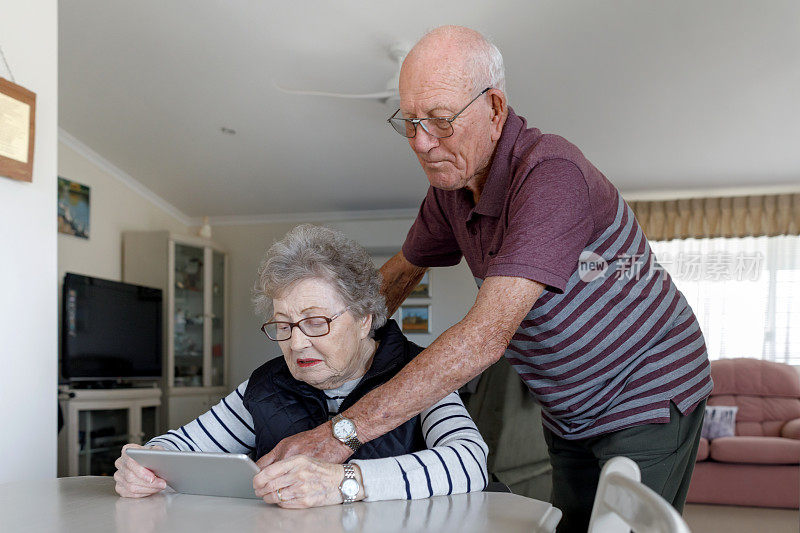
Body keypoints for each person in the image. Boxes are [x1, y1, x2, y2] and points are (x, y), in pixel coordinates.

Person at [258, 26, 712, 531]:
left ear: (495, 108)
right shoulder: (452, 187)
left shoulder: (551, 175)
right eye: (409, 121)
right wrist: (328, 333)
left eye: (441, 120)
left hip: (646, 387)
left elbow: (484, 338)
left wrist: (341, 433)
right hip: (569, 407)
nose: (422, 143)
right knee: (574, 524)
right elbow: (396, 277)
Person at [114, 224, 488, 508]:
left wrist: (345, 482)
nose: (295, 343)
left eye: (315, 322)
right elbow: (183, 445)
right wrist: (146, 464)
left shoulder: (420, 373)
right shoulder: (265, 386)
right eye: (283, 324)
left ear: (364, 319)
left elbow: (470, 461)